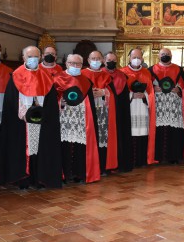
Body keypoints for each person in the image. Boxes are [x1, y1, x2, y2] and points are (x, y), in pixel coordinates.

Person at [0, 45, 62, 189]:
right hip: (21, 121)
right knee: (23, 148)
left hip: (42, 120)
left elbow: (51, 100)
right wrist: (23, 114)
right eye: (29, 56)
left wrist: (44, 113)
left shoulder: (46, 75)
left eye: (35, 56)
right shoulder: (16, 75)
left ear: (40, 57)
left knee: (40, 147)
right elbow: (11, 99)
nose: (33, 59)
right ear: (23, 58)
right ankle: (23, 179)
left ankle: (40, 178)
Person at [54, 54, 100, 184]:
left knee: (80, 146)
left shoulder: (85, 81)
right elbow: (51, 101)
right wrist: (60, 103)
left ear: (82, 65)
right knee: (64, 146)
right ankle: (64, 174)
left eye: (78, 64)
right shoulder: (57, 79)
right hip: (63, 119)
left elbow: (90, 102)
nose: (75, 66)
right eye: (72, 63)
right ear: (66, 63)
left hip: (81, 119)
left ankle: (78, 174)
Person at [148, 48, 184, 164]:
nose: (165, 56)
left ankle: (173, 157)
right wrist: (153, 88)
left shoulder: (178, 69)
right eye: (163, 54)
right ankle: (158, 156)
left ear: (171, 55)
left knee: (174, 129)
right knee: (158, 129)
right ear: (158, 56)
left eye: (167, 54)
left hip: (173, 104)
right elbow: (146, 84)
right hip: (158, 104)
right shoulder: (152, 69)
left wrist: (179, 89)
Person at [82, 51, 118, 176]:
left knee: (103, 140)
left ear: (102, 60)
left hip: (103, 113)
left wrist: (104, 93)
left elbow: (113, 94)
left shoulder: (106, 75)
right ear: (88, 60)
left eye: (98, 58)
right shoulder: (82, 74)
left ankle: (102, 167)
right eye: (93, 58)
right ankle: (88, 168)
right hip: (88, 113)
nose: (96, 61)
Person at [121, 48, 156, 167]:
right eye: (134, 57)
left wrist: (145, 95)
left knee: (143, 134)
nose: (136, 59)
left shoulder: (147, 73)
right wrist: (131, 95)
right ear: (129, 58)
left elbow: (151, 92)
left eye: (139, 57)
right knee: (129, 134)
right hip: (129, 108)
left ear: (142, 58)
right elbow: (119, 93)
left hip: (143, 108)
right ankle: (129, 160)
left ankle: (141, 160)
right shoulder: (122, 72)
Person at [102, 52, 133, 172]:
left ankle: (120, 163)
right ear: (104, 61)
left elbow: (125, 97)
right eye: (109, 60)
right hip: (104, 111)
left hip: (120, 112)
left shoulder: (122, 76)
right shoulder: (100, 75)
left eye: (114, 61)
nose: (111, 63)